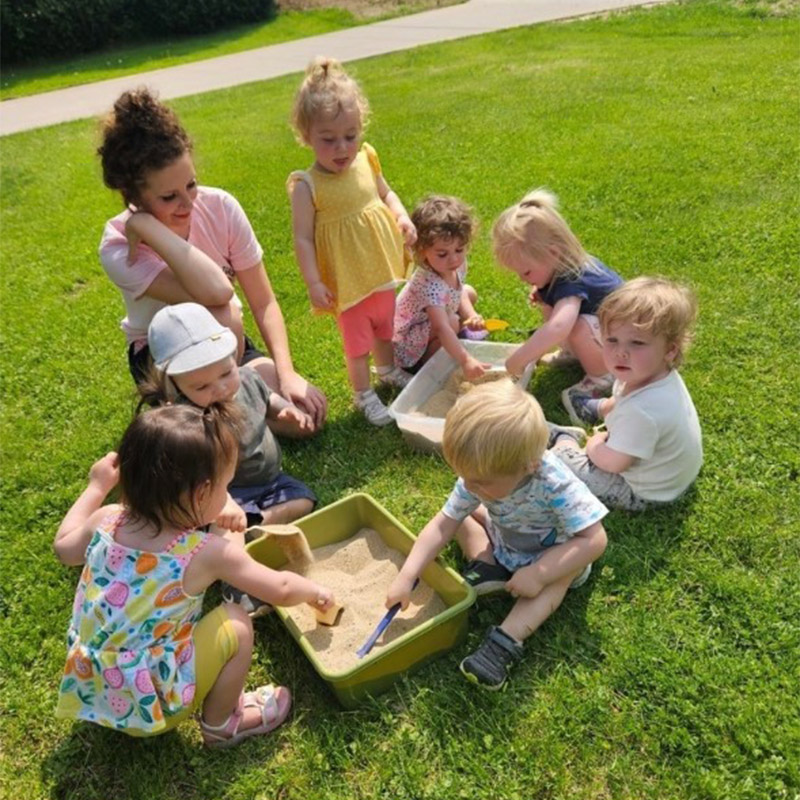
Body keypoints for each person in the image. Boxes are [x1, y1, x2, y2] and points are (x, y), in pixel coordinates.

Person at [53, 404, 334, 745]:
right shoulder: (205, 554)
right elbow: (283, 588)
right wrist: (316, 592)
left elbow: (63, 547)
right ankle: (222, 725)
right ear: (202, 493)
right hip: (153, 706)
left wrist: (97, 487)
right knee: (236, 623)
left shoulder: (107, 519)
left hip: (90, 687)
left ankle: (120, 705)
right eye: (226, 487)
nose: (229, 496)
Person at [97, 87, 326, 433]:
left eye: (191, 185)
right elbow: (217, 293)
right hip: (164, 357)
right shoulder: (118, 246)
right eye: (169, 196)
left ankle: (226, 407)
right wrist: (147, 227)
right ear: (134, 196)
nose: (188, 204)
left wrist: (287, 373)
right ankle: (205, 414)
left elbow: (263, 302)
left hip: (226, 346)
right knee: (225, 312)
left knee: (306, 422)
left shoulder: (220, 206)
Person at [385, 380, 608, 690]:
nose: (469, 485)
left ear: (528, 466)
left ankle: (505, 641)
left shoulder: (554, 483)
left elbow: (594, 540)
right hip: (508, 536)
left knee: (560, 579)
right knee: (456, 516)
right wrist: (408, 575)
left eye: (480, 482)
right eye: (465, 476)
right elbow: (442, 524)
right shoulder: (480, 477)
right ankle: (488, 564)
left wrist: (540, 573)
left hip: (554, 556)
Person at [142, 302, 317, 616]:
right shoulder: (188, 421)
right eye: (202, 386)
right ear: (174, 384)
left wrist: (283, 409)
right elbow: (192, 475)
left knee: (304, 499)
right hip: (225, 492)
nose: (220, 388)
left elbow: (268, 398)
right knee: (226, 529)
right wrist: (222, 502)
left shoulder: (248, 379)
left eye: (226, 373)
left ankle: (257, 525)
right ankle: (238, 587)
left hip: (271, 482)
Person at [287, 56, 417, 426]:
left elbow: (386, 194)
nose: (342, 148)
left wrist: (402, 216)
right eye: (329, 140)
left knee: (385, 327)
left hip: (379, 265)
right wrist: (314, 281)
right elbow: (303, 239)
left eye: (350, 135)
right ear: (306, 136)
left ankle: (387, 369)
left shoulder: (366, 159)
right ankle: (363, 394)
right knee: (357, 341)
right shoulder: (307, 185)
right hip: (347, 278)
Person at [549, 277, 702, 511]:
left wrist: (594, 444)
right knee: (615, 409)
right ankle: (598, 408)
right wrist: (610, 408)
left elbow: (613, 463)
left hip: (642, 493)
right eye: (612, 340)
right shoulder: (653, 376)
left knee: (559, 464)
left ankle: (563, 438)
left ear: (670, 350)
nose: (621, 352)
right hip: (672, 474)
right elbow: (624, 400)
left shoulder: (642, 411)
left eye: (637, 343)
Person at [492, 188, 624, 407]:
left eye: (526, 272)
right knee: (559, 311)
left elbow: (558, 328)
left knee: (577, 325)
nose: (523, 279)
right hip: (607, 331)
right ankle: (574, 353)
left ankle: (602, 376)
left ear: (553, 253)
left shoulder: (573, 278)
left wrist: (520, 358)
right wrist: (544, 295)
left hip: (623, 339)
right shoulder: (555, 268)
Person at [392, 195, 489, 380]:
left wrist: (471, 316)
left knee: (469, 292)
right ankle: (426, 363)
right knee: (451, 322)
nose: (454, 259)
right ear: (422, 250)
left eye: (459, 250)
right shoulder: (429, 285)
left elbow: (458, 292)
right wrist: (465, 359)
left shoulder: (454, 263)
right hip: (405, 343)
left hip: (436, 316)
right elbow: (442, 327)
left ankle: (457, 336)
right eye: (442, 254)